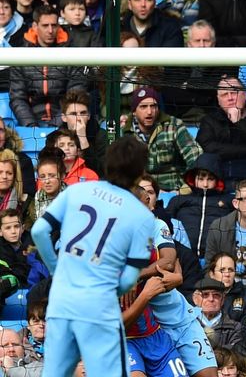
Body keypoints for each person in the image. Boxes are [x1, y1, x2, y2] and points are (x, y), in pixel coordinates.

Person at [29, 136, 156, 377]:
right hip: (99, 307)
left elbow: (38, 231)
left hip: (62, 299)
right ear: (140, 171)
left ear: (107, 162)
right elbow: (129, 280)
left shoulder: (78, 191)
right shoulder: (143, 217)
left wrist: (57, 269)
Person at [10, 5, 87, 127]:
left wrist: (56, 126)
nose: (50, 30)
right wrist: (30, 125)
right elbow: (18, 98)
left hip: (64, 122)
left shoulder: (72, 53)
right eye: (45, 26)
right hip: (31, 122)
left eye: (54, 25)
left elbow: (74, 95)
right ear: (35, 27)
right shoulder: (22, 55)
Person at [122, 86, 203, 193]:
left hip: (174, 190)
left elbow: (195, 157)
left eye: (153, 106)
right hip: (139, 191)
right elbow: (120, 170)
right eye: (143, 107)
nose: (149, 111)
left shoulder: (174, 125)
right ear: (134, 112)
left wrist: (186, 187)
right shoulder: (124, 132)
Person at [166, 153, 233, 259]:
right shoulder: (178, 200)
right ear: (193, 179)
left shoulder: (229, 201)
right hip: (182, 258)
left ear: (217, 180)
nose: (205, 184)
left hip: (217, 259)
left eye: (210, 179)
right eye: (201, 179)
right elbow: (164, 224)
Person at [121, 0, 185, 47]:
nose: (143, 4)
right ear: (129, 4)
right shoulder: (119, 28)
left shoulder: (171, 28)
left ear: (154, 3)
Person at [58, 90, 107, 177]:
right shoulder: (55, 138)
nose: (79, 118)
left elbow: (100, 172)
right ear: (64, 117)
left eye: (83, 113)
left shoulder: (101, 136)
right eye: (73, 114)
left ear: (88, 116)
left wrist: (83, 139)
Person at [205, 252, 246, 323]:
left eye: (230, 270)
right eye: (222, 270)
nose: (227, 274)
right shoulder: (200, 297)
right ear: (212, 274)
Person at [196, 277, 243, 349]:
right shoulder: (186, 325)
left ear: (223, 299)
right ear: (196, 299)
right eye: (205, 295)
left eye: (216, 295)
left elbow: (234, 355)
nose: (211, 299)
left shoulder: (235, 328)